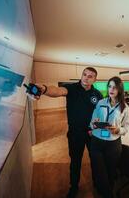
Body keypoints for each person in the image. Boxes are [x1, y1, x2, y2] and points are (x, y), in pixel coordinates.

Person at [35, 67, 102, 197]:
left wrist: (96, 128)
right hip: (75, 134)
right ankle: (74, 187)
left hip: (92, 134)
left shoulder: (97, 94)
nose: (86, 78)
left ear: (95, 79)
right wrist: (44, 89)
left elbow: (100, 112)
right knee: (75, 161)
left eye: (90, 76)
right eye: (84, 74)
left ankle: (96, 183)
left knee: (95, 160)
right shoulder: (71, 88)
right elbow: (58, 91)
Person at [89, 76, 129, 198]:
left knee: (111, 170)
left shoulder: (125, 108)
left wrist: (118, 130)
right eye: (110, 86)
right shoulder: (100, 103)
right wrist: (93, 124)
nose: (111, 89)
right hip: (97, 141)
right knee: (99, 170)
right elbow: (91, 122)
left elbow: (126, 128)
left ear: (119, 90)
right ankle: (107, 194)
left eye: (115, 87)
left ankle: (107, 190)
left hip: (113, 144)